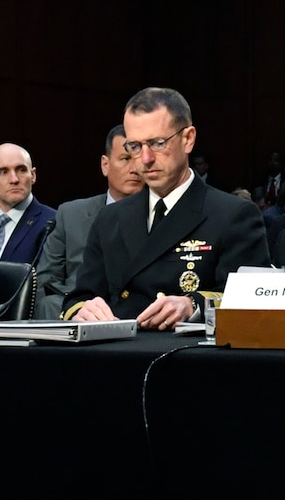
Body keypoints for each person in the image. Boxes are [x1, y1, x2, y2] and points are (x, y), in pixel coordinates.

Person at [67, 88, 269, 328]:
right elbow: (79, 298)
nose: (145, 158)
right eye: (134, 146)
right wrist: (85, 311)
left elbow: (252, 301)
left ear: (188, 139)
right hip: (116, 353)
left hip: (185, 356)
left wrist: (193, 305)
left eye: (157, 143)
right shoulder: (111, 218)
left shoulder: (233, 215)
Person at [34, 126, 145, 307]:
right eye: (125, 159)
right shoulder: (70, 214)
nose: (134, 169)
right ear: (105, 165)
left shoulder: (163, 214)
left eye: (139, 160)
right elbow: (46, 278)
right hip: (74, 309)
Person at [0, 143, 55, 265]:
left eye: (21, 170)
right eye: (3, 172)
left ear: (33, 175)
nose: (14, 179)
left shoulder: (52, 222)